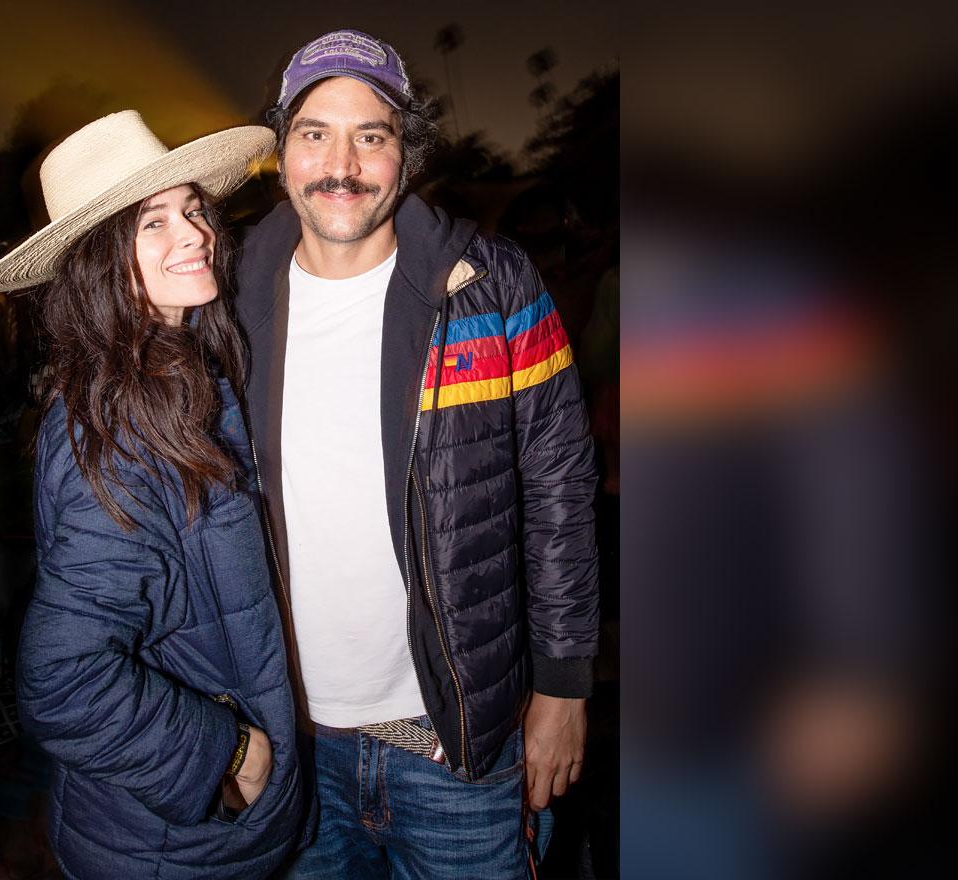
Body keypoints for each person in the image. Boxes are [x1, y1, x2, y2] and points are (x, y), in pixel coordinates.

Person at [235, 30, 600, 877]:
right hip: (289, 746)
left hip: (457, 746)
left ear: (408, 155)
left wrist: (565, 684)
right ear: (281, 151)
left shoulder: (494, 284)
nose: (342, 163)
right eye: (315, 133)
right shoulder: (229, 294)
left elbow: (560, 487)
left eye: (373, 135)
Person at [0, 111, 308, 879]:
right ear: (98, 263)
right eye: (152, 222)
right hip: (166, 849)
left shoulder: (176, 378)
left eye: (192, 209)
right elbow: (63, 679)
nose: (193, 233)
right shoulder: (124, 423)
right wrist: (226, 751)